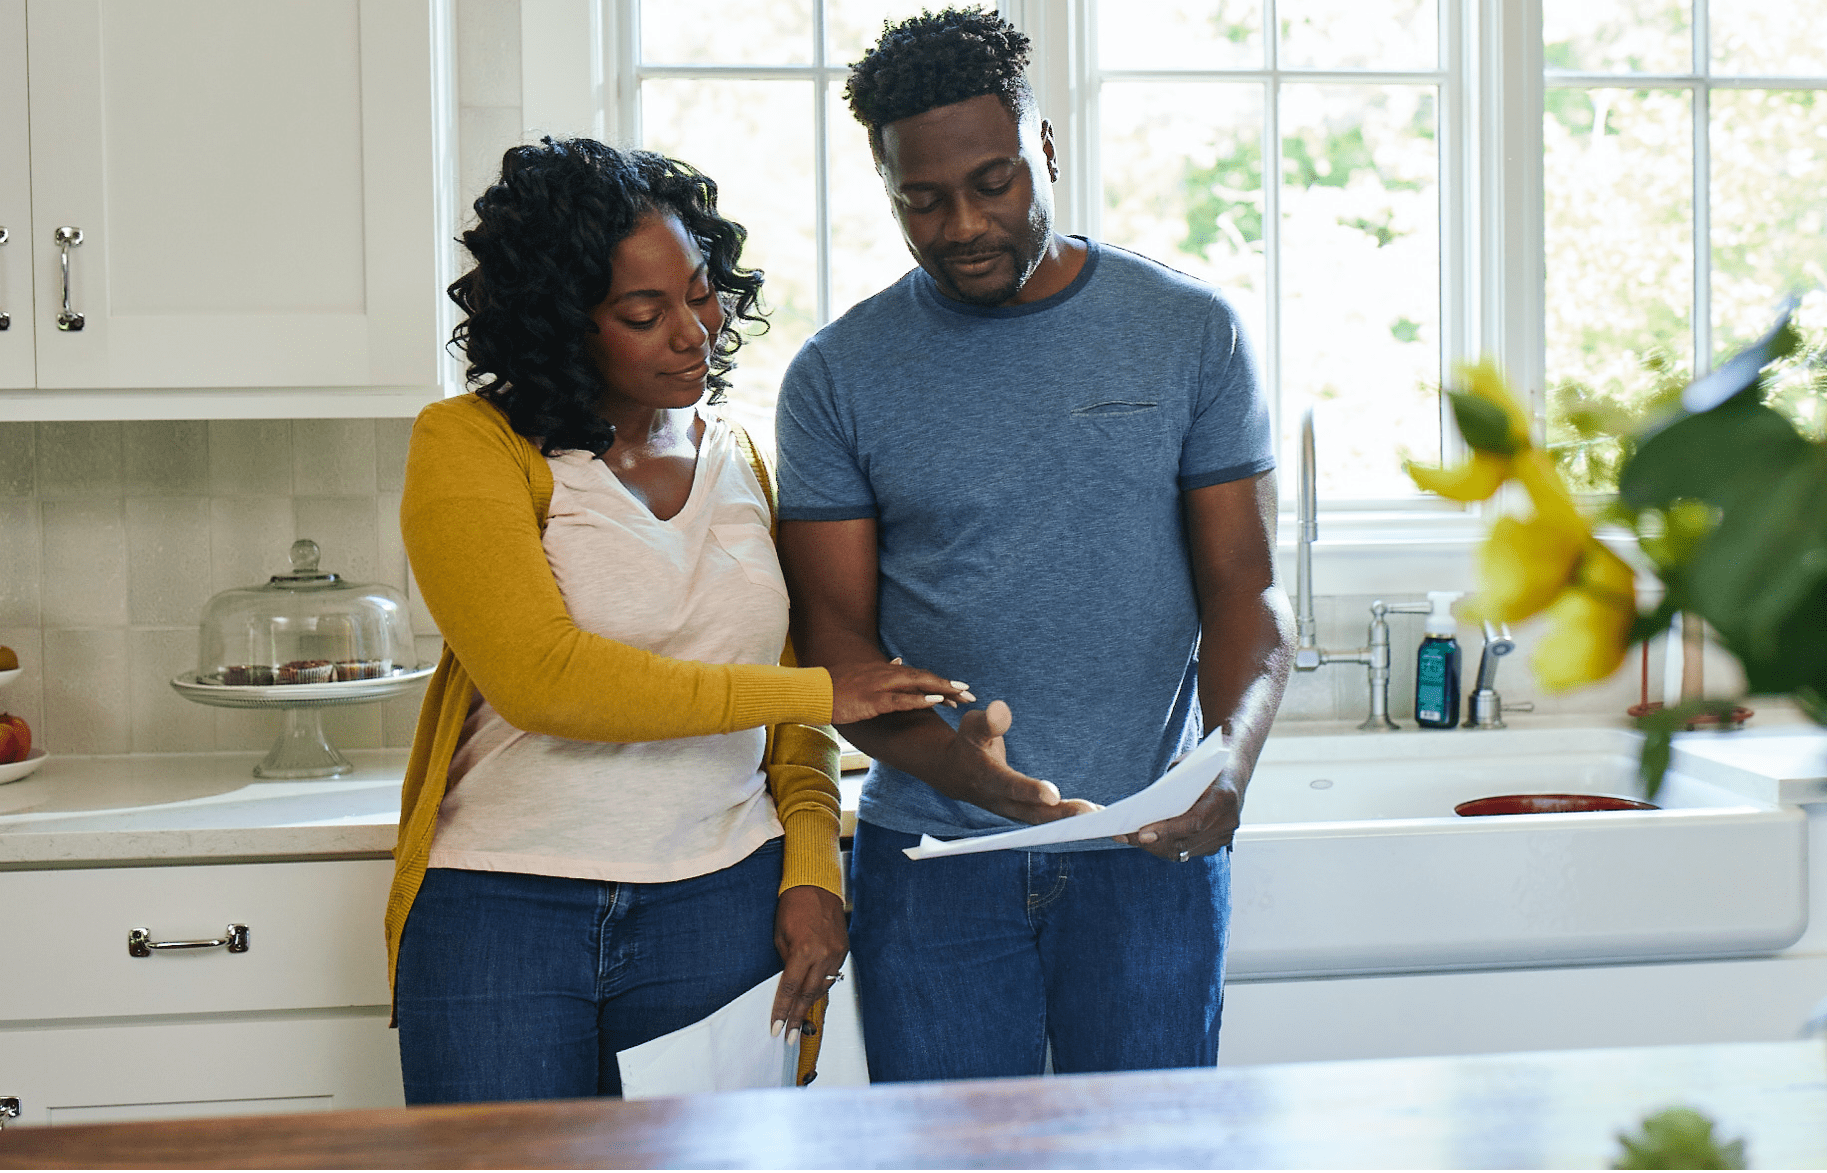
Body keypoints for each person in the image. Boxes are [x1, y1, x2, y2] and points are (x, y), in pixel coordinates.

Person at [385, 137, 970, 1103]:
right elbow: (544, 679)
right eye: (643, 313)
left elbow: (791, 727)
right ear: (561, 327)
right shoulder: (470, 444)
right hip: (501, 901)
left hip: (720, 895)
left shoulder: (742, 454)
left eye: (699, 291)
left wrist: (814, 869)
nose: (694, 331)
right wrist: (826, 687)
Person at [775, 9, 1294, 1082]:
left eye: (994, 182)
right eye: (923, 199)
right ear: (888, 188)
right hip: (932, 866)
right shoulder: (837, 375)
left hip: (1147, 851)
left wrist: (1227, 766)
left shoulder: (1188, 330)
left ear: (1045, 150)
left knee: (1153, 1160)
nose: (963, 223)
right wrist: (966, 773)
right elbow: (835, 642)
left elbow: (1247, 589)